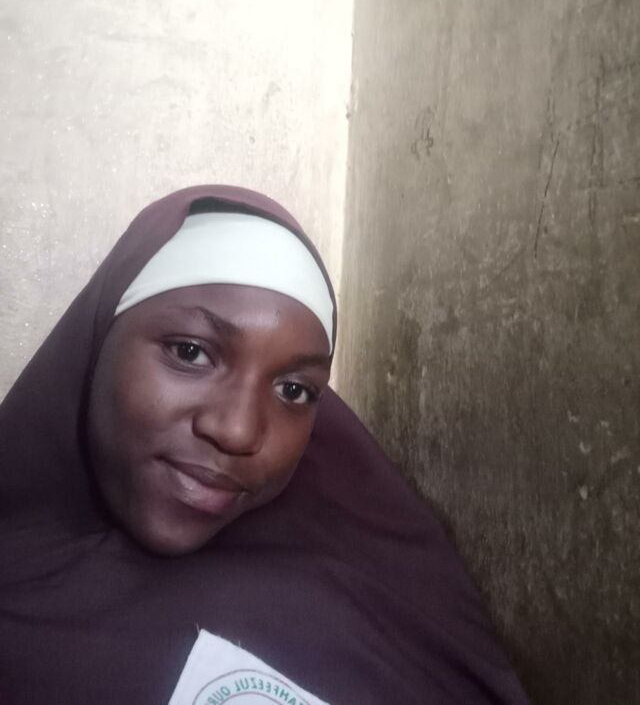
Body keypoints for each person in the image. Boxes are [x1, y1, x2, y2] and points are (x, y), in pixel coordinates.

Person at [0, 185, 528, 704]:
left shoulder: (372, 597)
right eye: (190, 352)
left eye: (293, 390)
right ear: (98, 340)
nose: (239, 431)